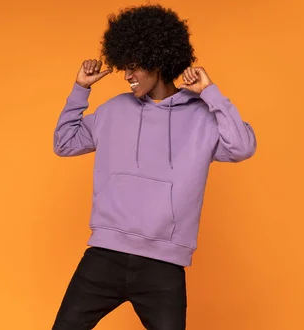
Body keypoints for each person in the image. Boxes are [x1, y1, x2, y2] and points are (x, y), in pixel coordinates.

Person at [51, 4, 257, 330]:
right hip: (105, 255)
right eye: (125, 67)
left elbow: (242, 147)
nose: (128, 76)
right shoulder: (114, 110)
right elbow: (64, 143)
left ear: (158, 60)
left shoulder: (201, 117)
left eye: (134, 67)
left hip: (163, 266)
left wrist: (211, 93)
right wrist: (81, 88)